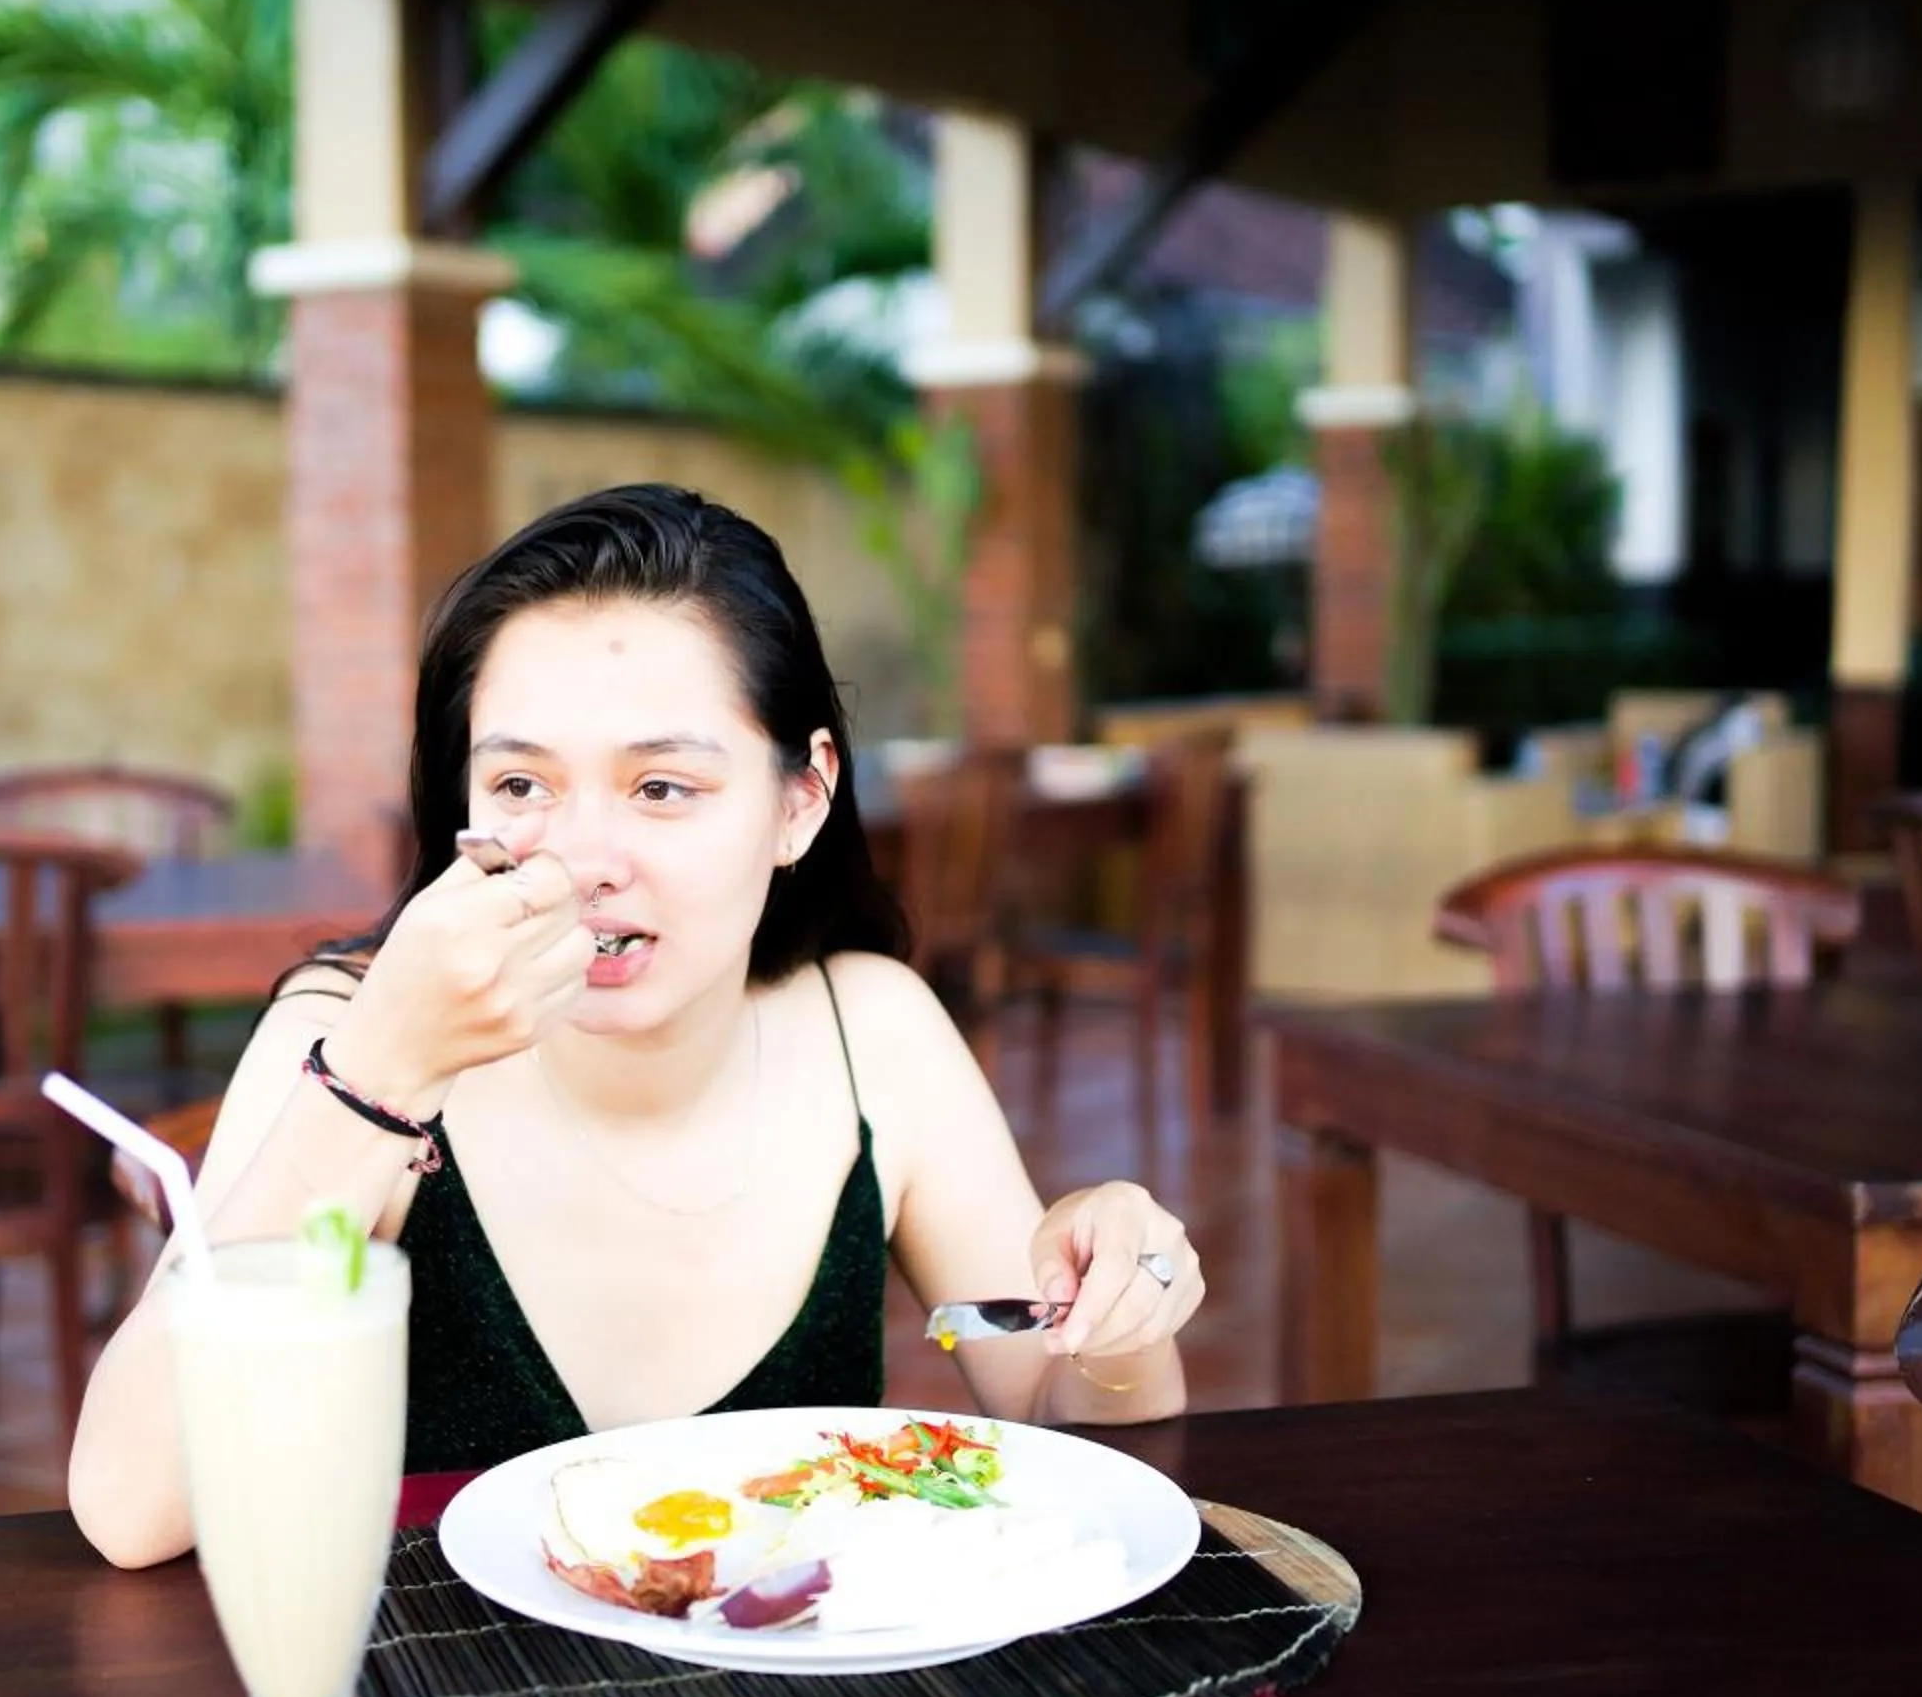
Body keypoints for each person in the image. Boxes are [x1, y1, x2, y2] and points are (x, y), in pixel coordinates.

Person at [67, 484, 1205, 1569]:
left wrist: (1121, 1323)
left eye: (662, 787)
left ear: (800, 798)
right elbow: (132, 1510)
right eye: (520, 786)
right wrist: (379, 1074)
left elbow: (1077, 1464)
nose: (583, 860)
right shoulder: (350, 1032)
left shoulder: (876, 1033)